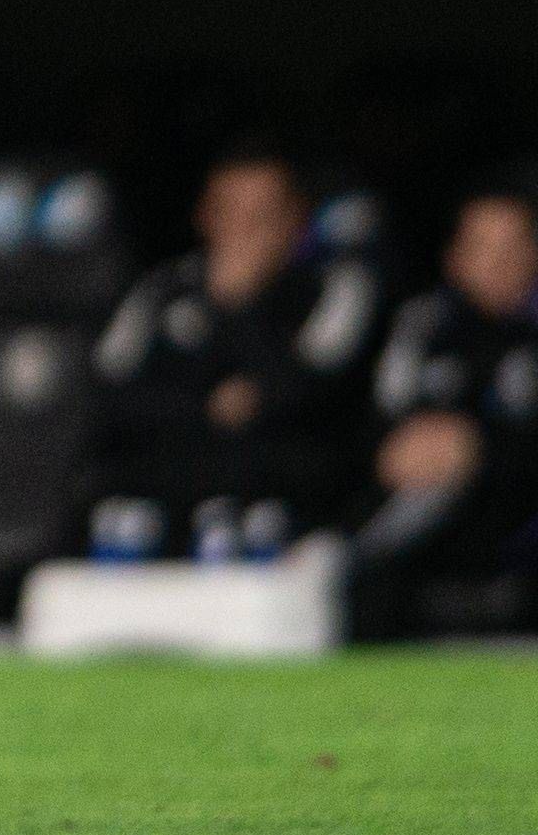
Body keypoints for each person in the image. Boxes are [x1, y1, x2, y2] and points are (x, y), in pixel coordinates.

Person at [89, 150, 383, 556]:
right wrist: (206, 404)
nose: (245, 230)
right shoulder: (162, 290)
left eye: (263, 215)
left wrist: (240, 308)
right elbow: (112, 392)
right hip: (169, 488)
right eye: (231, 213)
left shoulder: (332, 289)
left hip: (283, 497)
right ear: (205, 217)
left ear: (296, 221)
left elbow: (315, 392)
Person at [350, 189, 538, 635]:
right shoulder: (424, 323)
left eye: (512, 248)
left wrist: (479, 449)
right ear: (455, 256)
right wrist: (405, 451)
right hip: (421, 501)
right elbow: (384, 423)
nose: (497, 263)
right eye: (482, 247)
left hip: (527, 508)